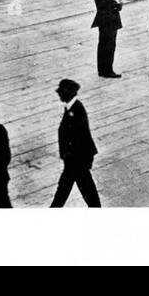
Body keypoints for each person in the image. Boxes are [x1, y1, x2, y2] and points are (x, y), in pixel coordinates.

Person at [51, 79, 102, 207]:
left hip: (77, 159)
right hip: (74, 159)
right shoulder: (71, 107)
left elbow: (80, 138)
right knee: (68, 189)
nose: (59, 94)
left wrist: (70, 156)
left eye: (61, 92)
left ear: (68, 94)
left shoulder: (76, 111)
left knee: (74, 190)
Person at [91, 0, 123, 78]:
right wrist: (119, 5)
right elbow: (113, 6)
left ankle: (101, 69)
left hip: (102, 20)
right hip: (110, 21)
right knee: (109, 46)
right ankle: (108, 70)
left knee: (102, 45)